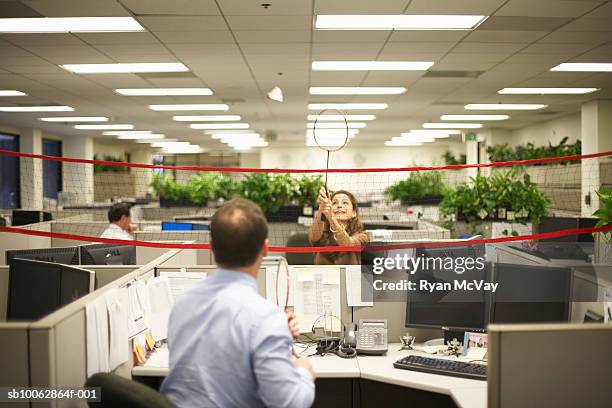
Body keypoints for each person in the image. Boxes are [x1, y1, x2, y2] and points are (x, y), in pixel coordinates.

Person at [161, 198, 315, 408]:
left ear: (211, 247)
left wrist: (277, 337)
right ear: (266, 249)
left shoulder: (182, 302)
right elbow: (291, 404)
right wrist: (303, 369)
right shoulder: (266, 319)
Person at [308, 187, 368, 265]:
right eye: (334, 203)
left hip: (349, 277)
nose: (339, 205)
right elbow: (313, 237)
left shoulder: (363, 236)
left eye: (345, 203)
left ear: (354, 213)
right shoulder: (321, 232)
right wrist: (321, 208)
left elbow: (347, 245)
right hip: (323, 276)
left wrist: (331, 217)